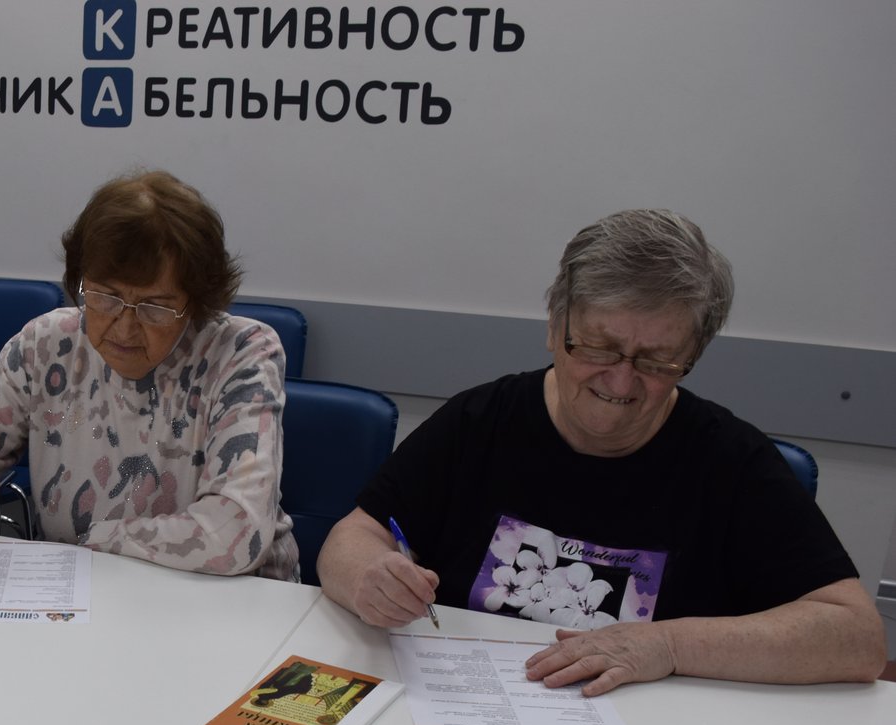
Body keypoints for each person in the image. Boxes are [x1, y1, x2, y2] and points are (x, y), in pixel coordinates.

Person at [318, 209, 884, 695]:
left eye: (657, 360)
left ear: (692, 355)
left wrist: (668, 645)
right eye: (599, 347)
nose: (620, 381)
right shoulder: (481, 420)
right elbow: (354, 536)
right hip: (462, 704)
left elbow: (857, 638)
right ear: (554, 326)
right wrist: (369, 576)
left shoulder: (732, 462)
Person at [0, 169, 298, 581]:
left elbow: (234, 534)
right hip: (90, 595)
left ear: (196, 303)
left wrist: (94, 542)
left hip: (231, 597)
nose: (124, 328)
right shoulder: (47, 344)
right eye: (105, 297)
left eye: (155, 307)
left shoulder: (240, 352)